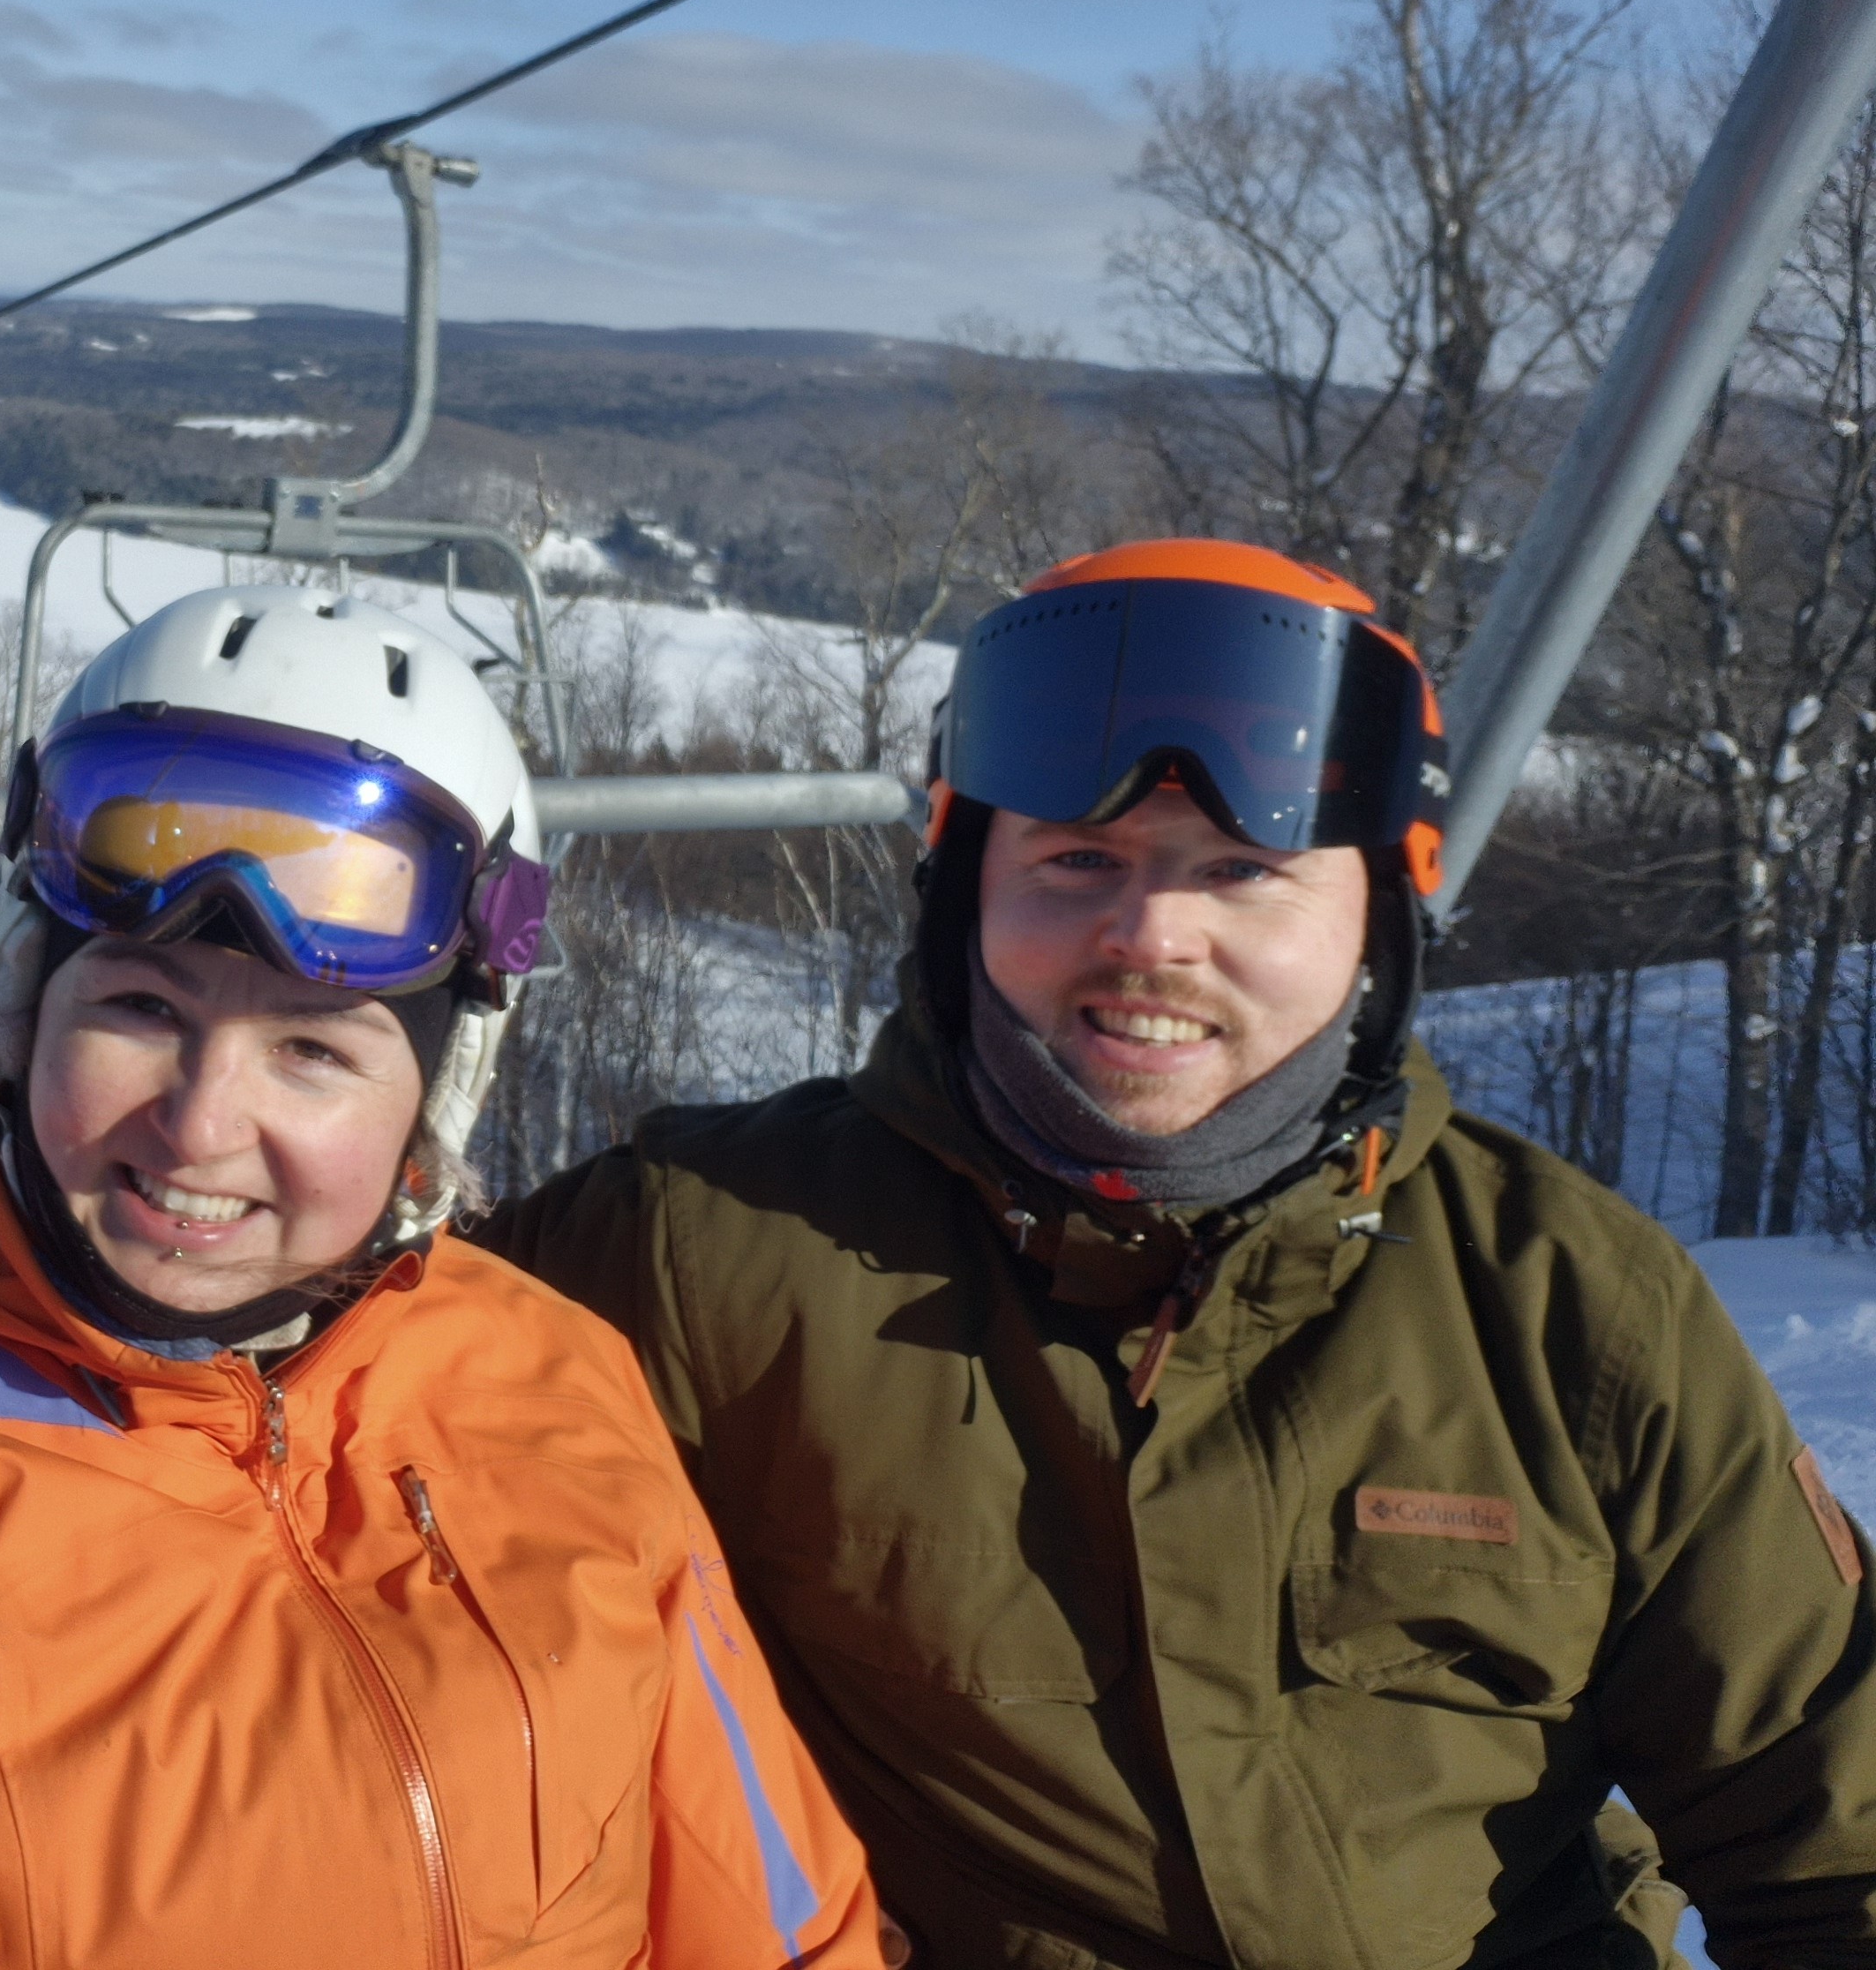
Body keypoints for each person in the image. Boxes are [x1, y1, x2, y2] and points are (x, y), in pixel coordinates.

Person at [480, 537, 1876, 1967]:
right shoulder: (705, 1247)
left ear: (1377, 916)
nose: (1151, 933)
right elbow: (357, 1420)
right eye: (1077, 859)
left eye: (1245, 872)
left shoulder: (1568, 1303)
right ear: (968, 890)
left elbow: (1837, 1845)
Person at [0, 582, 892, 1969]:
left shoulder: (553, 1381)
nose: (198, 1126)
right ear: (22, 1011)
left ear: (434, 1104)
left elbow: (780, 1923)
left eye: (312, 1050)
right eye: (139, 1006)